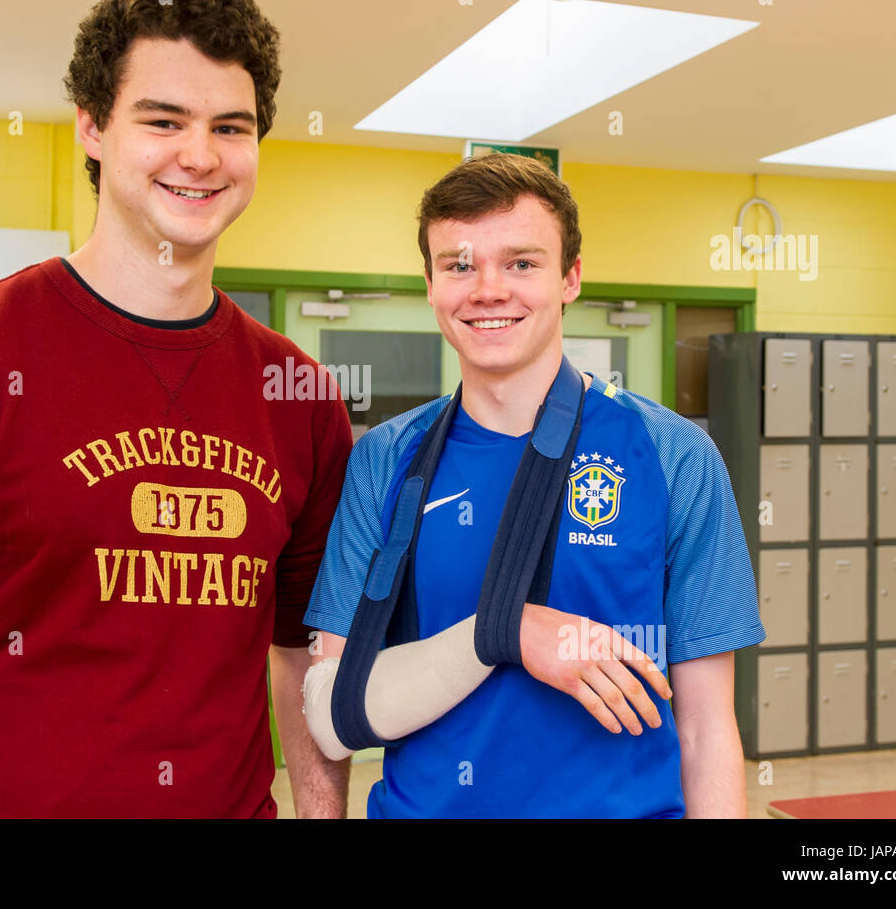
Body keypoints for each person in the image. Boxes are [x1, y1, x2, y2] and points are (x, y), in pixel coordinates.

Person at [0, 0, 352, 818]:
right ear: (93, 128)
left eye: (230, 127)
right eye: (163, 120)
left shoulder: (300, 398)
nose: (201, 155)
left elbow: (302, 652)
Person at [301, 153, 765, 818]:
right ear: (431, 283)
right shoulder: (386, 460)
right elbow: (330, 710)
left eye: (522, 262)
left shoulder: (671, 456)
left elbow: (705, 728)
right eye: (460, 264)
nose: (488, 288)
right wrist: (508, 632)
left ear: (571, 277)